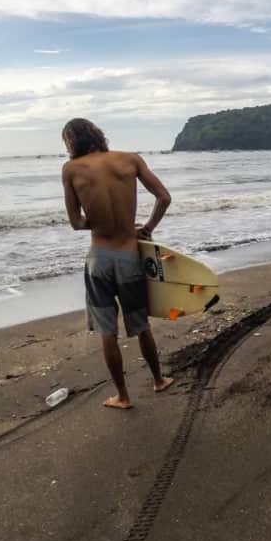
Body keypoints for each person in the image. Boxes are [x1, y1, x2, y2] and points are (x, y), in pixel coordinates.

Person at [61, 118, 175, 410]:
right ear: (97, 134)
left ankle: (123, 396)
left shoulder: (71, 169)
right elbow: (164, 197)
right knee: (141, 326)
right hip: (129, 257)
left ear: (71, 142)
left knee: (107, 332)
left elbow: (75, 223)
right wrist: (145, 228)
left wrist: (98, 223)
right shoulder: (131, 160)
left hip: (99, 260)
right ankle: (159, 379)